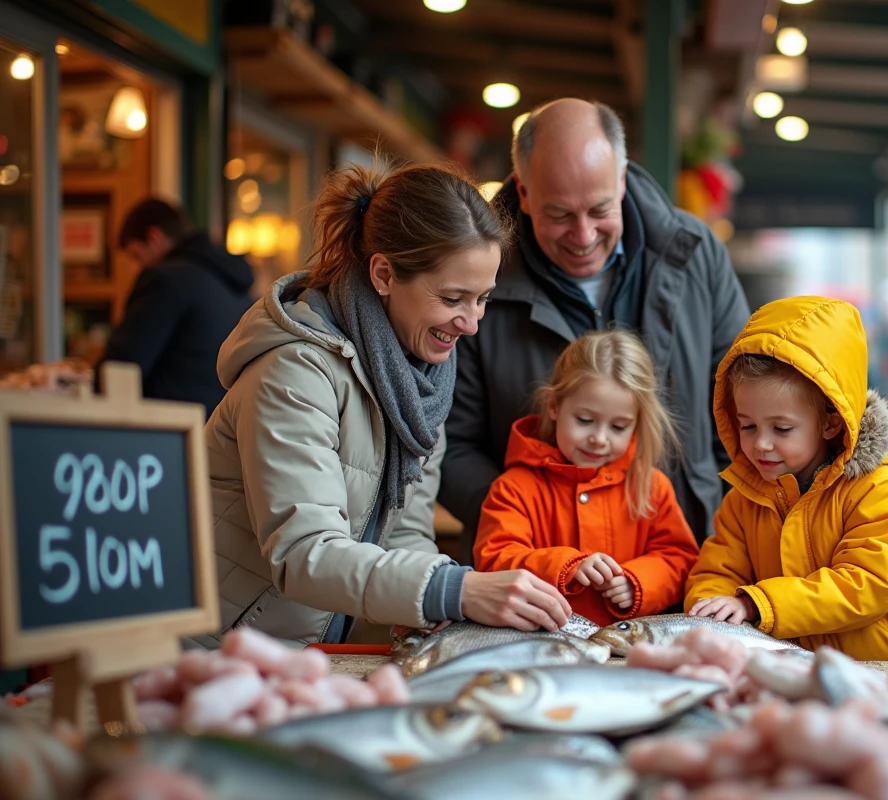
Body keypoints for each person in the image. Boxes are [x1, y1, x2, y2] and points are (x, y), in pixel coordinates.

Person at [197, 160, 572, 649]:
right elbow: (304, 552)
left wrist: (426, 609)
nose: (472, 323)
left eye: (483, 299)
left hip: (303, 657)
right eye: (454, 297)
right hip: (213, 655)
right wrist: (453, 589)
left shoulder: (422, 380)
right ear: (383, 274)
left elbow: (405, 531)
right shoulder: (293, 372)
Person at [439, 98, 750, 563]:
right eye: (560, 214)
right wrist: (537, 526)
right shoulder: (476, 277)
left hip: (689, 568)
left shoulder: (695, 253)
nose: (583, 236)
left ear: (622, 179)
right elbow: (446, 444)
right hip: (531, 585)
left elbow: (742, 405)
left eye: (599, 209)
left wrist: (719, 526)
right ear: (522, 193)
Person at [684, 296, 888, 728]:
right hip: (828, 697)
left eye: (782, 428)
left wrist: (758, 602)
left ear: (831, 423)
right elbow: (718, 567)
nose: (760, 444)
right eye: (747, 425)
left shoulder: (881, 490)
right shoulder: (747, 496)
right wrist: (711, 608)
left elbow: (867, 584)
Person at [473, 329, 700, 626]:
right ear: (554, 406)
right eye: (585, 420)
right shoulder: (514, 488)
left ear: (637, 424)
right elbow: (495, 561)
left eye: (618, 427)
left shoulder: (651, 486)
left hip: (626, 651)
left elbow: (680, 558)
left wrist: (638, 582)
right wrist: (565, 566)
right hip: (541, 645)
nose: (599, 439)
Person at [95, 198, 255, 418]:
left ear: (154, 238)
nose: (139, 266)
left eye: (137, 255)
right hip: (222, 430)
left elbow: (123, 365)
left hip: (168, 432)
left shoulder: (164, 280)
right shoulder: (232, 283)